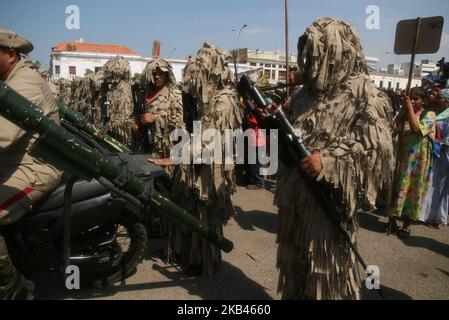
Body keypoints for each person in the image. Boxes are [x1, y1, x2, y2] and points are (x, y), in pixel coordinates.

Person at [274, 18, 395, 300]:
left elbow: (378, 152)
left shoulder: (365, 93)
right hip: (295, 204)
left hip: (328, 208)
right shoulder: (305, 95)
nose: (313, 61)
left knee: (326, 281)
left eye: (319, 53)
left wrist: (328, 162)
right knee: (296, 272)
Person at [0, 28, 63, 299]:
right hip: (13, 161)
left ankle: (11, 285)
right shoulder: (10, 78)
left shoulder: (23, 81)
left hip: (34, 167)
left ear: (11, 55)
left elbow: (3, 134)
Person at [169, 43, 242, 275]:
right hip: (198, 164)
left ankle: (206, 260)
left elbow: (213, 141)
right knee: (196, 209)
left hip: (213, 169)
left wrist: (177, 155)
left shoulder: (225, 100)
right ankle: (196, 256)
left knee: (206, 213)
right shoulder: (205, 101)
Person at [389, 87, 436, 237]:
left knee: (413, 190)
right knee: (398, 187)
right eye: (412, 99)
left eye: (417, 99)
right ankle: (392, 220)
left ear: (423, 100)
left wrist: (409, 109)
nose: (414, 102)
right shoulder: (406, 112)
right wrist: (402, 112)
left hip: (418, 161)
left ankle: (406, 224)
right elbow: (393, 129)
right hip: (403, 157)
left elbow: (416, 129)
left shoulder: (429, 115)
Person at [132, 58, 184, 160]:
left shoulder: (174, 94)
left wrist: (155, 118)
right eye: (154, 73)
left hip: (166, 149)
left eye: (161, 74)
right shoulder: (144, 94)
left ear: (168, 76)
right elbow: (135, 113)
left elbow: (180, 121)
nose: (157, 76)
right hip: (145, 146)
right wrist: (134, 123)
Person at [420, 89, 449, 228]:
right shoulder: (434, 112)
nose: (437, 99)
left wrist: (440, 144)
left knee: (439, 185)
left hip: (442, 153)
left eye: (440, 97)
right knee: (429, 181)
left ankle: (436, 217)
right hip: (432, 150)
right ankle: (424, 213)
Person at [100, 56, 134, 148]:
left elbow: (125, 116)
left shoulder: (124, 88)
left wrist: (110, 125)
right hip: (115, 131)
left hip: (122, 134)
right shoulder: (114, 88)